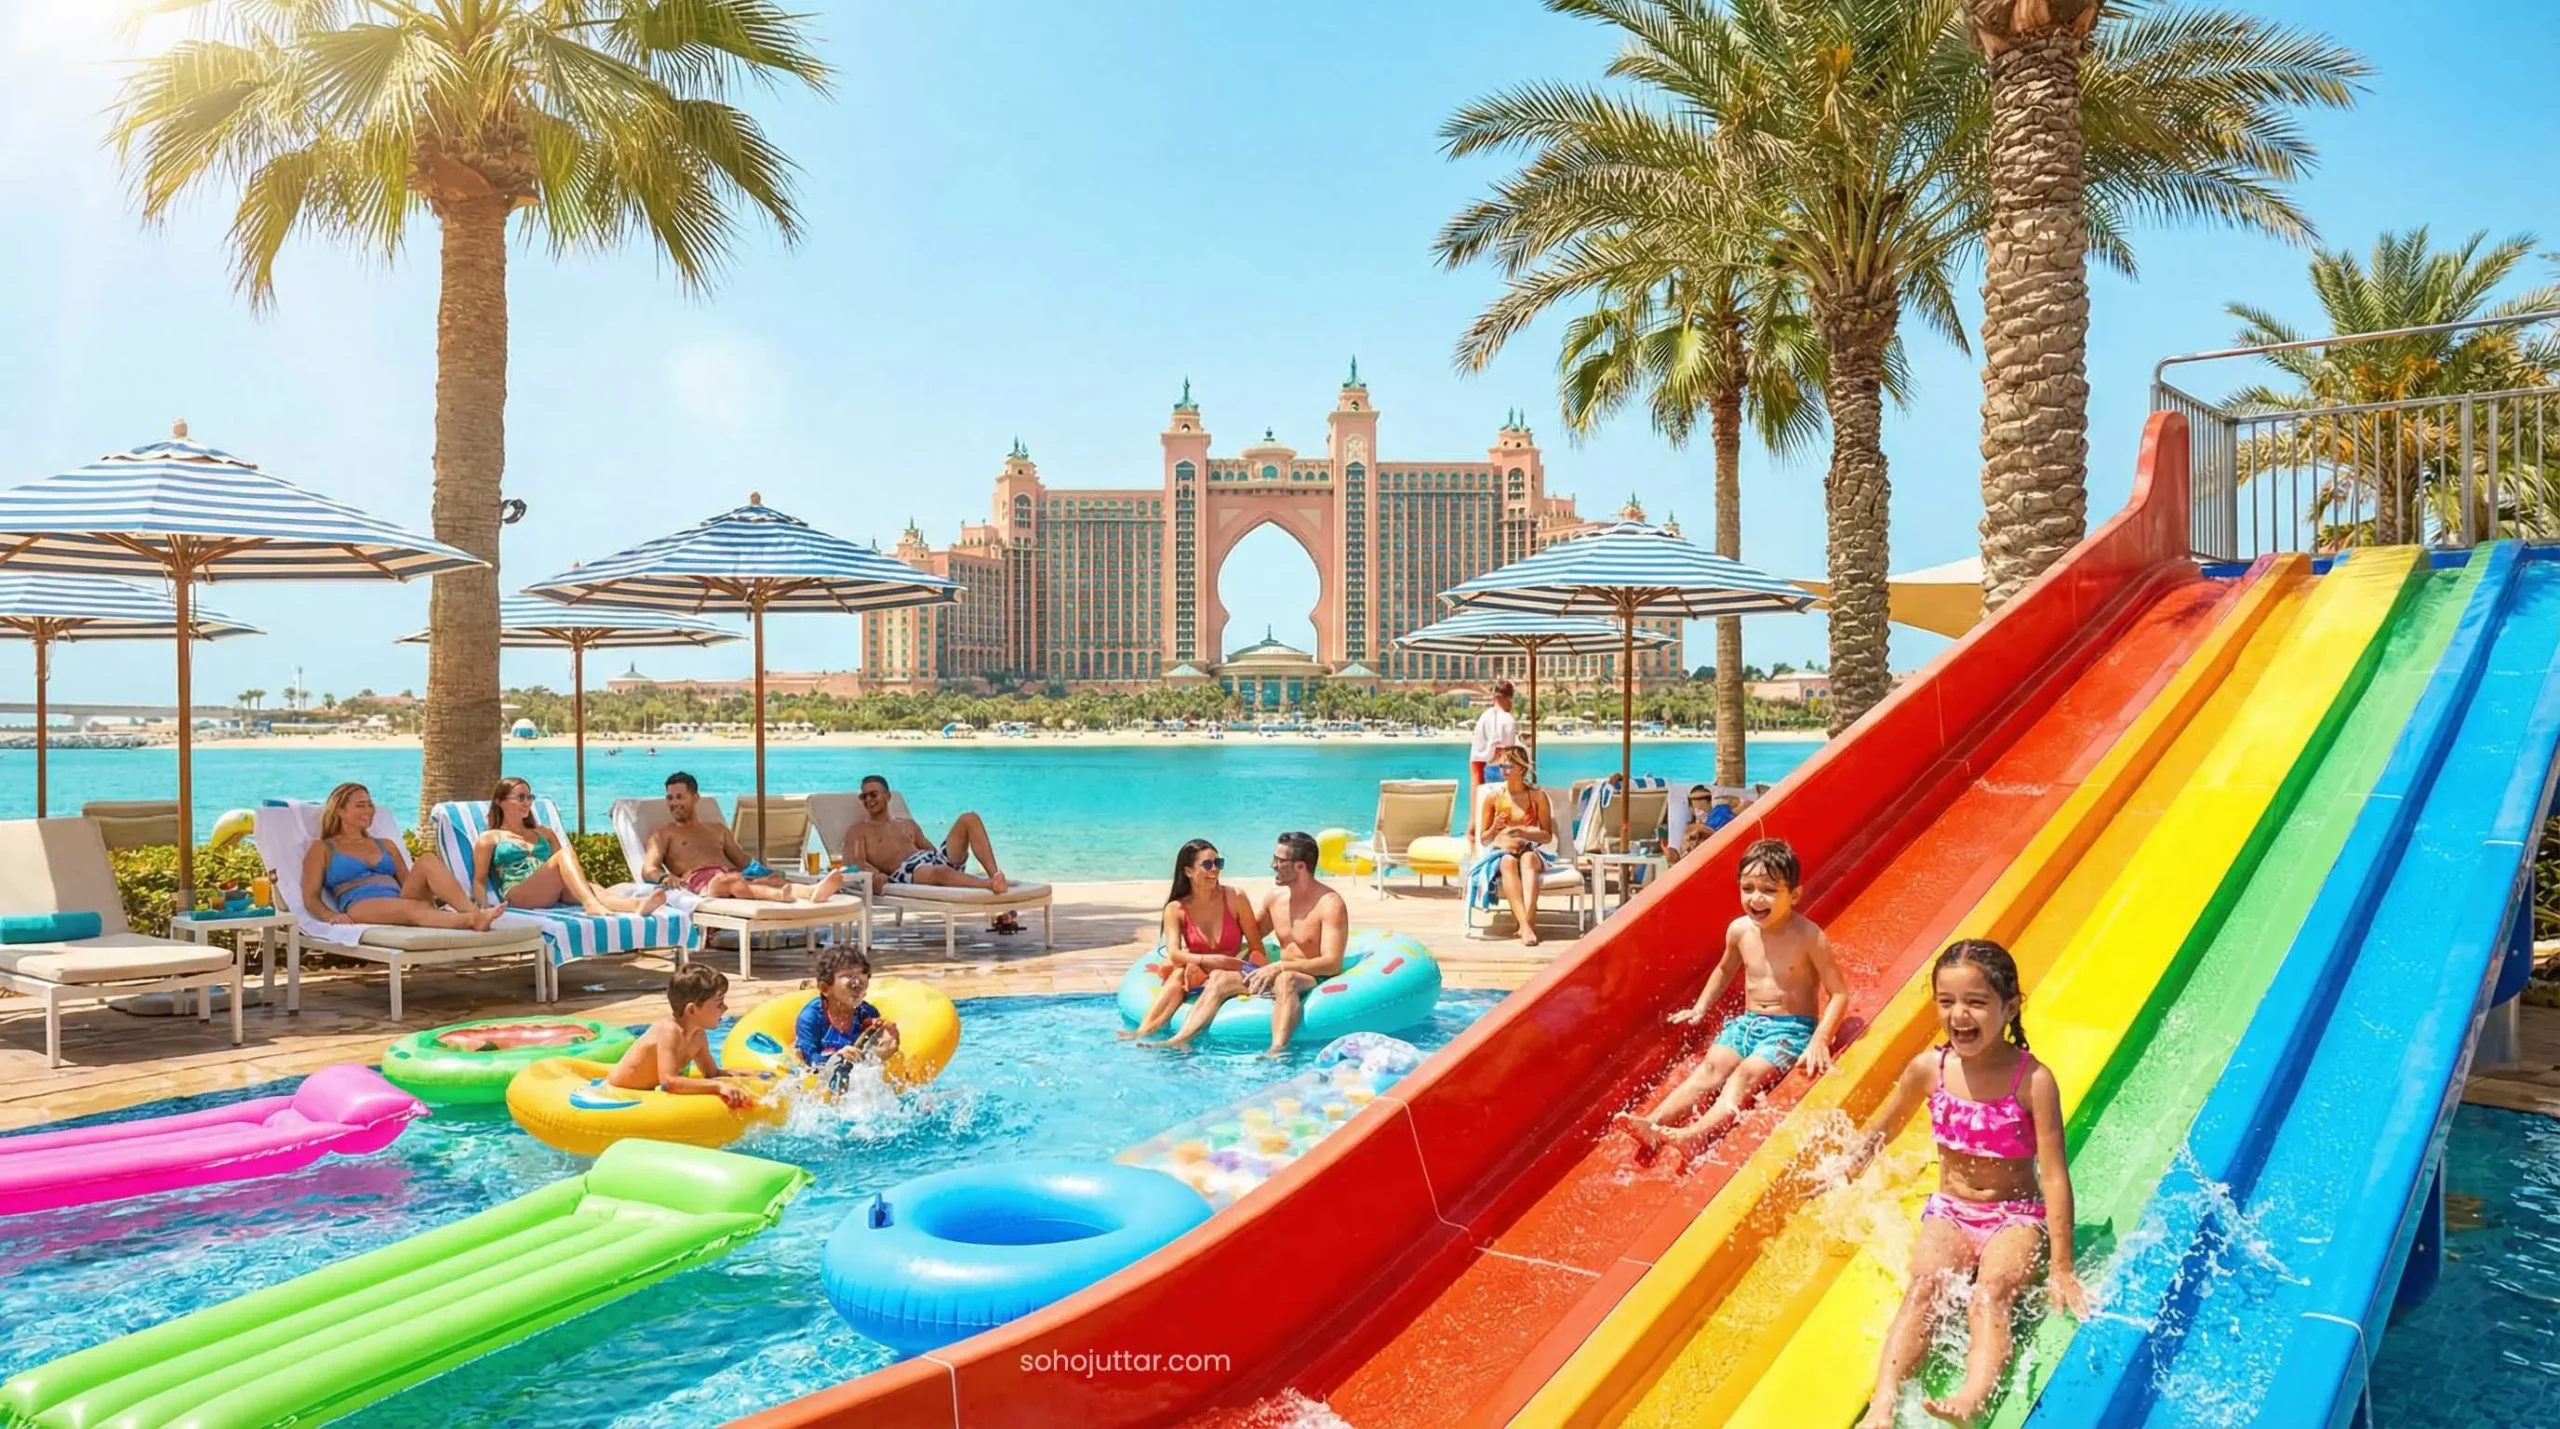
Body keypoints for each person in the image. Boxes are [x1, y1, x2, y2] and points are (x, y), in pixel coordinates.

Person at [1850, 940, 2083, 1429]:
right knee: (1923, 1287)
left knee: (1991, 1292)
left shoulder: (2033, 1081)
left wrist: (2062, 1266)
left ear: (2011, 1006)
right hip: (1951, 1211)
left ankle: (1973, 1397)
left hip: (2015, 1216)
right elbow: (1885, 1127)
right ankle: (1884, 1400)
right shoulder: (1928, 1070)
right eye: (1946, 1001)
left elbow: (2056, 1176)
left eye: (1976, 1002)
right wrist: (1844, 1166)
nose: (1959, 1015)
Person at [1614, 837, 1849, 1154]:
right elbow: (1724, 970)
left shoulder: (1809, 937)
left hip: (1790, 1031)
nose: (1756, 898)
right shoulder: (1739, 930)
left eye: (1768, 890)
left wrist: (1820, 1037)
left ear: (1794, 895)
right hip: (1748, 1024)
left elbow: (1839, 994)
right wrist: (1701, 1006)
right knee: (1710, 1069)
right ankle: (1653, 1124)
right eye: (1748, 888)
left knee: (1743, 1075)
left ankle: (1697, 1133)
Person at [1158, 831, 1348, 1057]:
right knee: (1219, 978)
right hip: (1272, 974)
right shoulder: (1275, 900)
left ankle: (1277, 1050)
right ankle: (1180, 1040)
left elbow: (1332, 963)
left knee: (1286, 979)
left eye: (1279, 860)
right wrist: (1196, 952)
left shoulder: (1329, 904)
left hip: (1310, 977)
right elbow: (1244, 934)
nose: (1272, 865)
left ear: (1299, 866)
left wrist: (1280, 966)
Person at [300, 782, 506, 931]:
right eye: (360, 805)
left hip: (400, 898)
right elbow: (311, 897)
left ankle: (472, 913)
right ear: (340, 811)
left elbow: (408, 882)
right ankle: (471, 921)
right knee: (411, 908)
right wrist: (331, 916)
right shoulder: (323, 849)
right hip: (362, 904)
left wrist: (429, 893)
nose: (369, 810)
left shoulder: (385, 844)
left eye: (370, 804)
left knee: (426, 860)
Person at [839, 774, 1022, 932]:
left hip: (929, 861)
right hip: (905, 871)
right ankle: (987, 884)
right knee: (939, 872)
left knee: (969, 818)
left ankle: (995, 876)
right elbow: (854, 862)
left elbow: (930, 850)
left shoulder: (907, 824)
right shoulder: (859, 830)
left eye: (873, 794)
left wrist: (946, 862)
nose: (868, 800)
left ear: (887, 796)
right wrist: (876, 875)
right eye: (864, 796)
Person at [1125, 839, 1266, 1042]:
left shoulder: (1235, 897)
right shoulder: (1176, 908)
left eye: (1219, 863)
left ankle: (1179, 1040)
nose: (1215, 869)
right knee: (1178, 975)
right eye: (1207, 865)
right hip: (1202, 971)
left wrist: (1256, 972)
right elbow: (1174, 952)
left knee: (1213, 974)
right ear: (1189, 871)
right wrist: (1206, 961)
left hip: (1231, 970)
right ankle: (1142, 1033)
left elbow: (1255, 945)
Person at [471, 777, 666, 916]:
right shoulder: (490, 838)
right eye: (520, 797)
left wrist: (584, 887)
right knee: (565, 855)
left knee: (593, 888)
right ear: (500, 801)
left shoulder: (544, 832)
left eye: (530, 797)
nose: (527, 803)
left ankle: (637, 905)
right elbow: (479, 881)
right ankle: (591, 904)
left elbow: (565, 870)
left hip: (550, 891)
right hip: (519, 893)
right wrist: (483, 909)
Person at [642, 772, 845, 904]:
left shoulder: (717, 830)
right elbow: (648, 869)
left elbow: (743, 862)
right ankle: (780, 896)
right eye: (669, 798)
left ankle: (811, 892)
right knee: (729, 880)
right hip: (701, 884)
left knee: (767, 879)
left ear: (695, 798)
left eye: (680, 797)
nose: (673, 803)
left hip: (732, 877)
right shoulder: (663, 834)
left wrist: (772, 874)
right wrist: (664, 877)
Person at [605, 963, 755, 1108]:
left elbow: (712, 1073)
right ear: (692, 1010)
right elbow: (669, 1082)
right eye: (719, 1003)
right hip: (617, 1093)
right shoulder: (670, 1031)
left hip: (646, 1093)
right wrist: (718, 1086)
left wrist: (752, 1075)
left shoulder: (698, 1034)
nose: (725, 1007)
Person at [1467, 744, 1556, 946]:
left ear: (1522, 769)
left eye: (1508, 767)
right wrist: (1494, 827)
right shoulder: (1494, 798)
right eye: (1501, 767)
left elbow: (1547, 835)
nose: (1503, 771)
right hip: (1503, 852)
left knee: (1528, 860)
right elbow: (1484, 839)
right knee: (1507, 862)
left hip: (1530, 849)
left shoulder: (1537, 797)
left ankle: (1527, 923)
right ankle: (1525, 926)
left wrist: (1523, 832)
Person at [794, 946, 902, 1089]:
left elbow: (870, 1059)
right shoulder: (811, 1018)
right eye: (848, 975)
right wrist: (836, 1057)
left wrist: (884, 1049)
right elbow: (810, 1060)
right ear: (825, 988)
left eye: (862, 973)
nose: (857, 982)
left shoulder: (866, 1012)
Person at [1466, 680, 1520, 835]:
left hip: (1480, 765)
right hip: (1498, 768)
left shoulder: (1484, 717)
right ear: (1508, 698)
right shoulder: (1508, 719)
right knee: (1502, 812)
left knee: (1480, 813)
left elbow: (1480, 750)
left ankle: (1473, 836)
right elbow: (1508, 753)